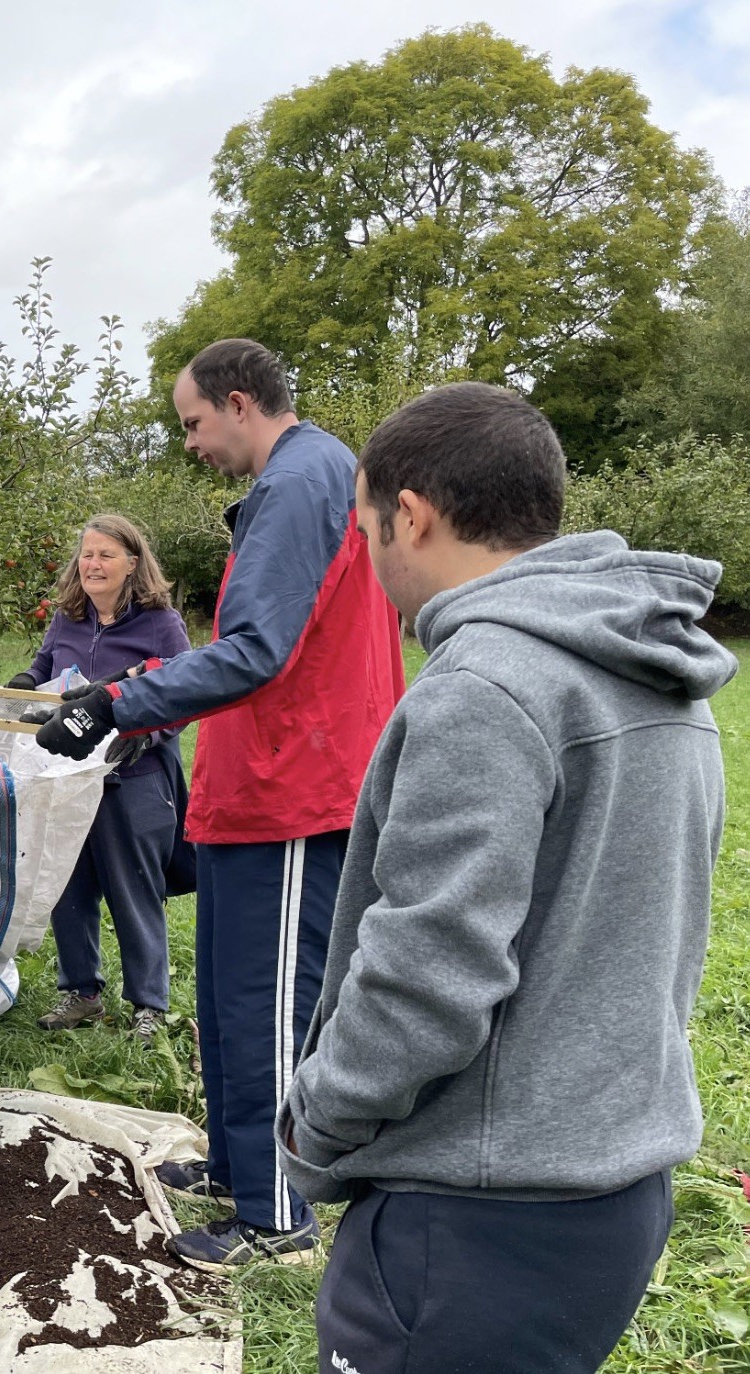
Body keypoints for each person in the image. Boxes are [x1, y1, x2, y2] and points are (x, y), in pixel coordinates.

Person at [275, 382, 735, 1374]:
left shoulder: (483, 687)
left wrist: (317, 1118)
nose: (375, 565)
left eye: (369, 531)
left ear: (413, 515)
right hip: (610, 1194)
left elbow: (427, 977)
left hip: (474, 1222)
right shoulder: (664, 670)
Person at [32, 339, 404, 1269]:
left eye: (193, 423)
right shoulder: (307, 479)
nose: (191, 444)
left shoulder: (299, 479)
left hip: (298, 785)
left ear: (241, 404)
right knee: (232, 993)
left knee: (271, 1000)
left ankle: (277, 1216)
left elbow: (254, 650)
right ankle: (242, 1167)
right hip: (261, 782)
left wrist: (114, 703)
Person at [10, 515, 189, 1044]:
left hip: (132, 774)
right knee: (69, 883)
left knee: (133, 889)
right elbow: (44, 667)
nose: (92, 564)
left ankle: (148, 1006)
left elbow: (186, 691)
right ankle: (81, 993)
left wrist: (147, 735)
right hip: (67, 776)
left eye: (106, 555)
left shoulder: (160, 624)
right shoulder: (69, 618)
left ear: (132, 563)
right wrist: (21, 686)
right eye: (87, 554)